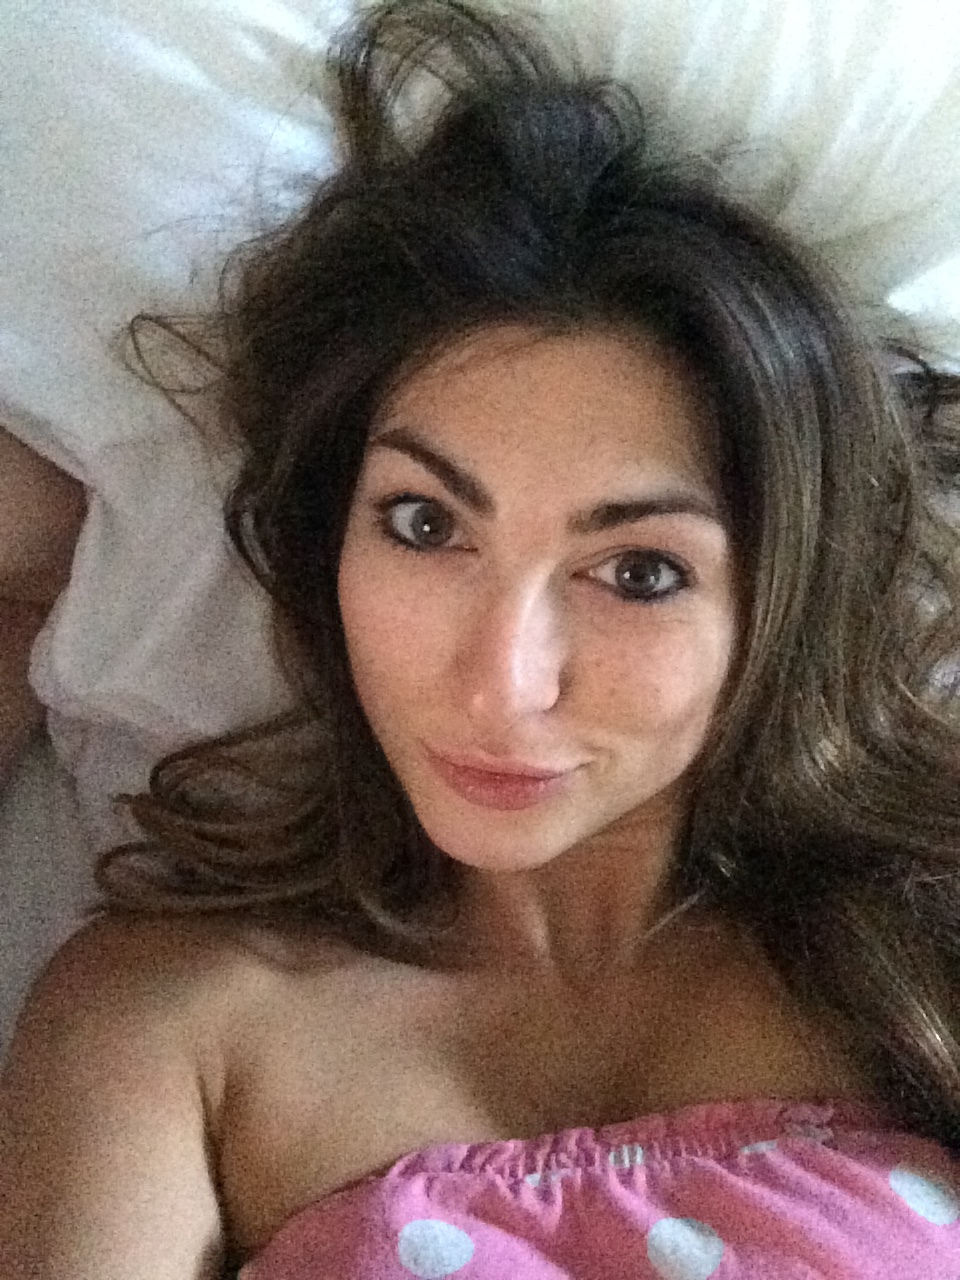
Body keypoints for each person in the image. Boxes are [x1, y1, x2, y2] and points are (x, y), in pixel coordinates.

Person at [3, 1, 960, 1276]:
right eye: (425, 523)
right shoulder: (171, 1022)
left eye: (638, 571)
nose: (502, 680)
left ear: (779, 600)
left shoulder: (921, 953)